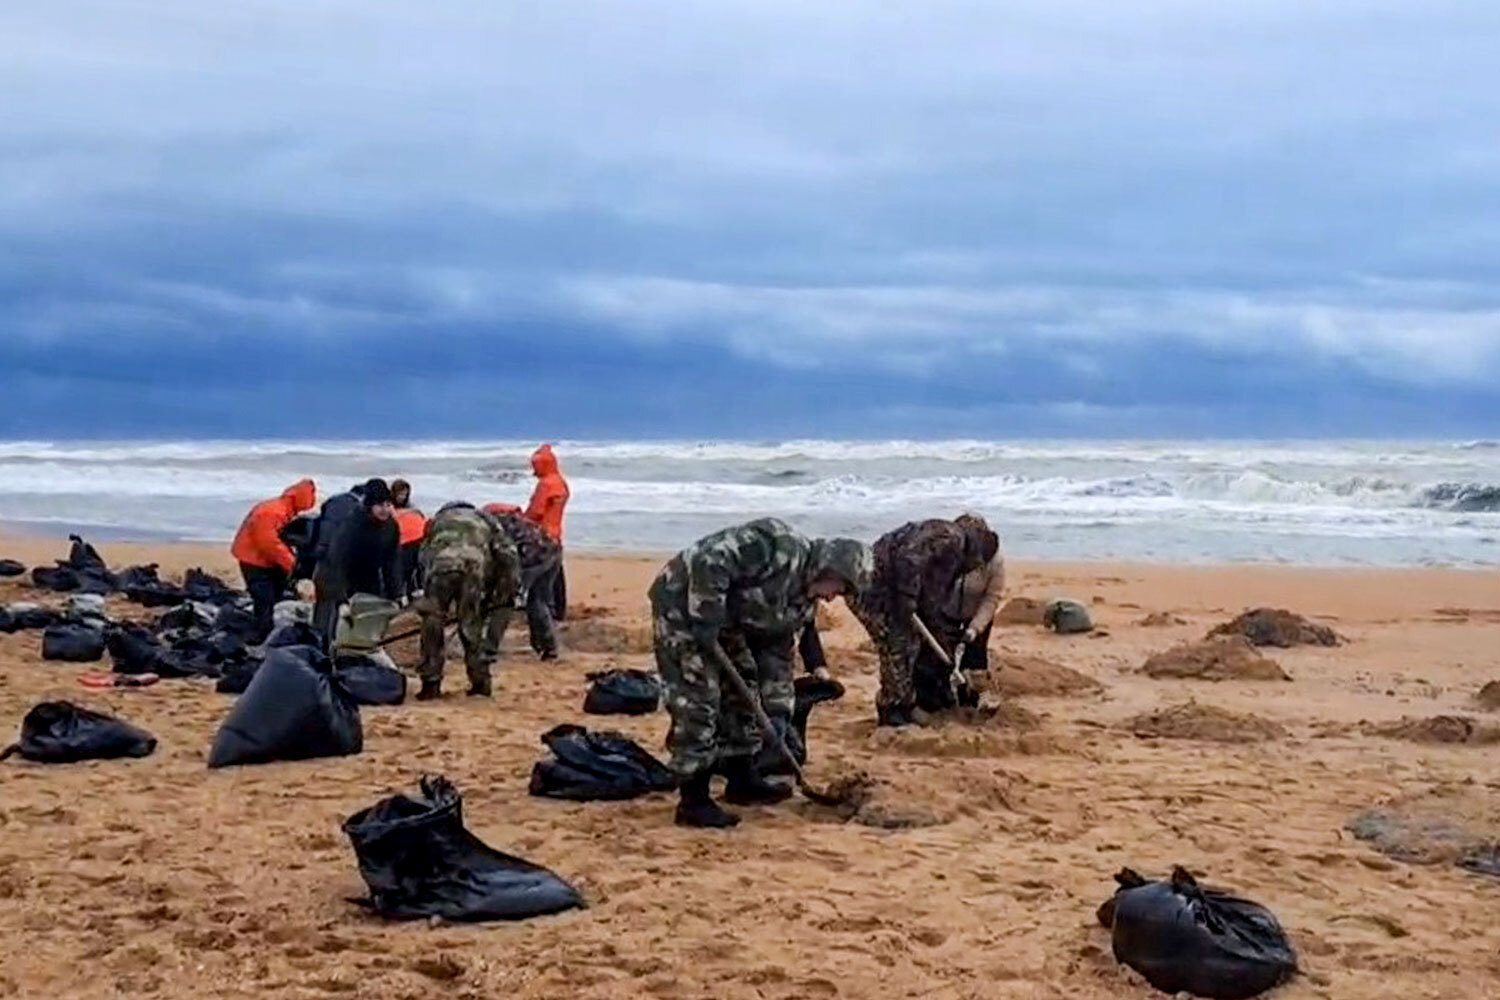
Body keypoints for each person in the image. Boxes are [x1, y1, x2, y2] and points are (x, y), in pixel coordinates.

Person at [648, 517, 871, 829]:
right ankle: (693, 800)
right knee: (698, 700)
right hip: (683, 607)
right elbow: (709, 559)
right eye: (841, 586)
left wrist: (778, 715)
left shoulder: (802, 605)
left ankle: (742, 780)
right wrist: (706, 616)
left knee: (743, 693)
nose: (834, 597)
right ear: (829, 569)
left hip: (726, 622)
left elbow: (777, 658)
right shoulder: (776, 544)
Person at [850, 514, 1000, 727]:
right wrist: (907, 596)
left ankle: (907, 705)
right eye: (975, 564)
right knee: (896, 644)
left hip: (888, 589)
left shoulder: (952, 553)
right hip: (872, 586)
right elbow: (907, 558)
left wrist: (943, 648)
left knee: (909, 644)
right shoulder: (951, 539)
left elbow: (930, 604)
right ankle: (893, 710)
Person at [415, 503, 520, 700]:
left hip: (439, 568)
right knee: (470, 626)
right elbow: (507, 553)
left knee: (432, 624)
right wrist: (507, 589)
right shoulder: (486, 519)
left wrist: (425, 590)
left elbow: (423, 555)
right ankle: (480, 683)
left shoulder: (438, 521)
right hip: (472, 569)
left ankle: (431, 683)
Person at [311, 478, 402, 647]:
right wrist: (341, 599)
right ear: (369, 505)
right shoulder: (352, 526)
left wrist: (396, 593)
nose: (384, 509)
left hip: (367, 574)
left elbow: (392, 562)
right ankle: (324, 650)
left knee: (367, 617)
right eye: (379, 505)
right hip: (334, 573)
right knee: (333, 619)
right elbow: (337, 561)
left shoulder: (391, 527)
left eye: (388, 504)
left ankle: (359, 651)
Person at [229, 479, 316, 641]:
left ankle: (265, 630)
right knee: (264, 598)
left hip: (263, 558)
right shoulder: (272, 513)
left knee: (274, 594)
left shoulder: (283, 509)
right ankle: (261, 635)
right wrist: (293, 566)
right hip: (253, 559)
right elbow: (271, 545)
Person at [491, 509, 563, 660]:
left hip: (534, 556)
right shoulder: (506, 518)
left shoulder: (489, 526)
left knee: (505, 602)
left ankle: (489, 648)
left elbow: (502, 556)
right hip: (553, 548)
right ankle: (549, 648)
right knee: (538, 600)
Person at [524, 444, 570, 621]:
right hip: (556, 534)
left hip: (541, 536)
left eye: (536, 466)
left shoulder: (546, 485)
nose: (534, 471)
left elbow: (536, 512)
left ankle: (544, 612)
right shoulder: (560, 482)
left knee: (539, 579)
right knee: (556, 574)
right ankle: (559, 610)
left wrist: (522, 519)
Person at [390, 479, 428, 599]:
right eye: (400, 494)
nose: (402, 497)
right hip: (401, 542)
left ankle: (416, 590)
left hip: (418, 539)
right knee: (403, 571)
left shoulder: (412, 507)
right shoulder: (387, 507)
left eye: (405, 494)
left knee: (418, 567)